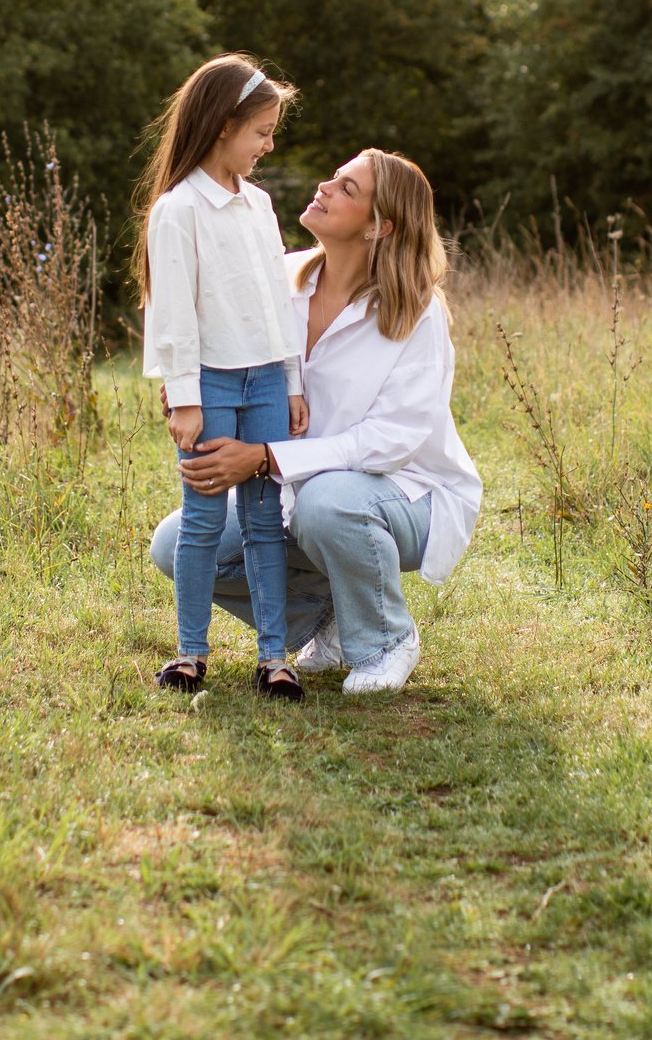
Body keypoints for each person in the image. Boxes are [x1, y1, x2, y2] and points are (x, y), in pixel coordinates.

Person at [151, 148, 481, 695]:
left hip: (405, 497)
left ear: (380, 226)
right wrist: (188, 386)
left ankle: (384, 639)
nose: (325, 187)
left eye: (347, 188)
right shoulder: (279, 277)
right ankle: (326, 621)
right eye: (333, 177)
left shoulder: (415, 313)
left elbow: (388, 443)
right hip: (295, 495)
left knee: (329, 504)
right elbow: (217, 343)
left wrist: (265, 458)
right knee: (176, 542)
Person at [135, 54, 312, 700]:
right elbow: (172, 309)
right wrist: (183, 396)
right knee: (203, 518)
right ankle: (190, 651)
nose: (268, 145)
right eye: (261, 132)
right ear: (221, 126)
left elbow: (275, 299)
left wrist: (291, 380)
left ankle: (275, 656)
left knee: (267, 518)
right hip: (209, 383)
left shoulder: (259, 204)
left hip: (266, 377)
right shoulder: (178, 210)